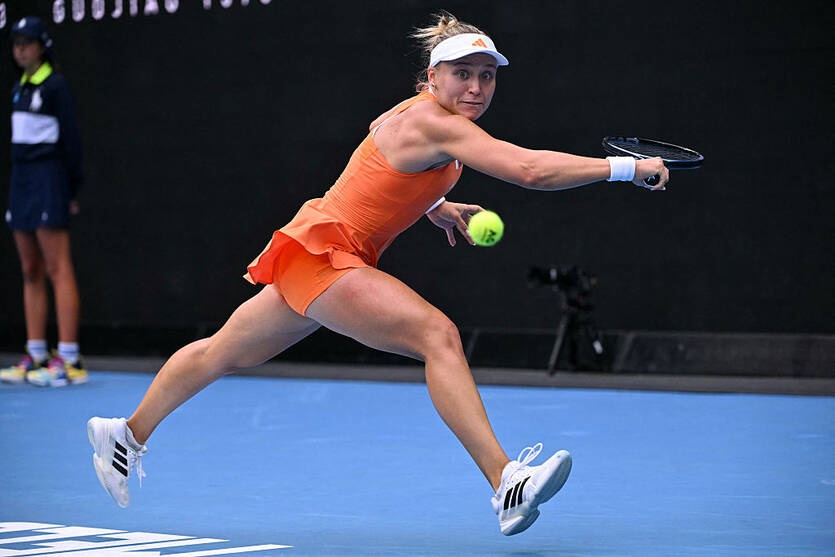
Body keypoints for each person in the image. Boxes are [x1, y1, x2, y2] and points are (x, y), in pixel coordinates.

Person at [87, 12, 668, 535]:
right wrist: (625, 168)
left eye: (487, 76)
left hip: (315, 246)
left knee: (222, 352)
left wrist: (435, 205)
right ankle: (506, 482)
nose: (476, 87)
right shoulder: (439, 125)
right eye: (463, 74)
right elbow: (529, 170)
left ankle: (125, 434)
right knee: (437, 336)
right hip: (327, 254)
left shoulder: (411, 112)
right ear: (433, 77)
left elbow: (381, 159)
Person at [1, 17, 87, 388]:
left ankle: (69, 358)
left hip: (49, 179)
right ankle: (36, 353)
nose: (20, 49)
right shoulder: (18, 88)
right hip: (21, 181)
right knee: (30, 268)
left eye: (27, 42)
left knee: (57, 267)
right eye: (16, 43)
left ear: (42, 46)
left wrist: (70, 190)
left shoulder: (56, 86)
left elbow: (72, 143)